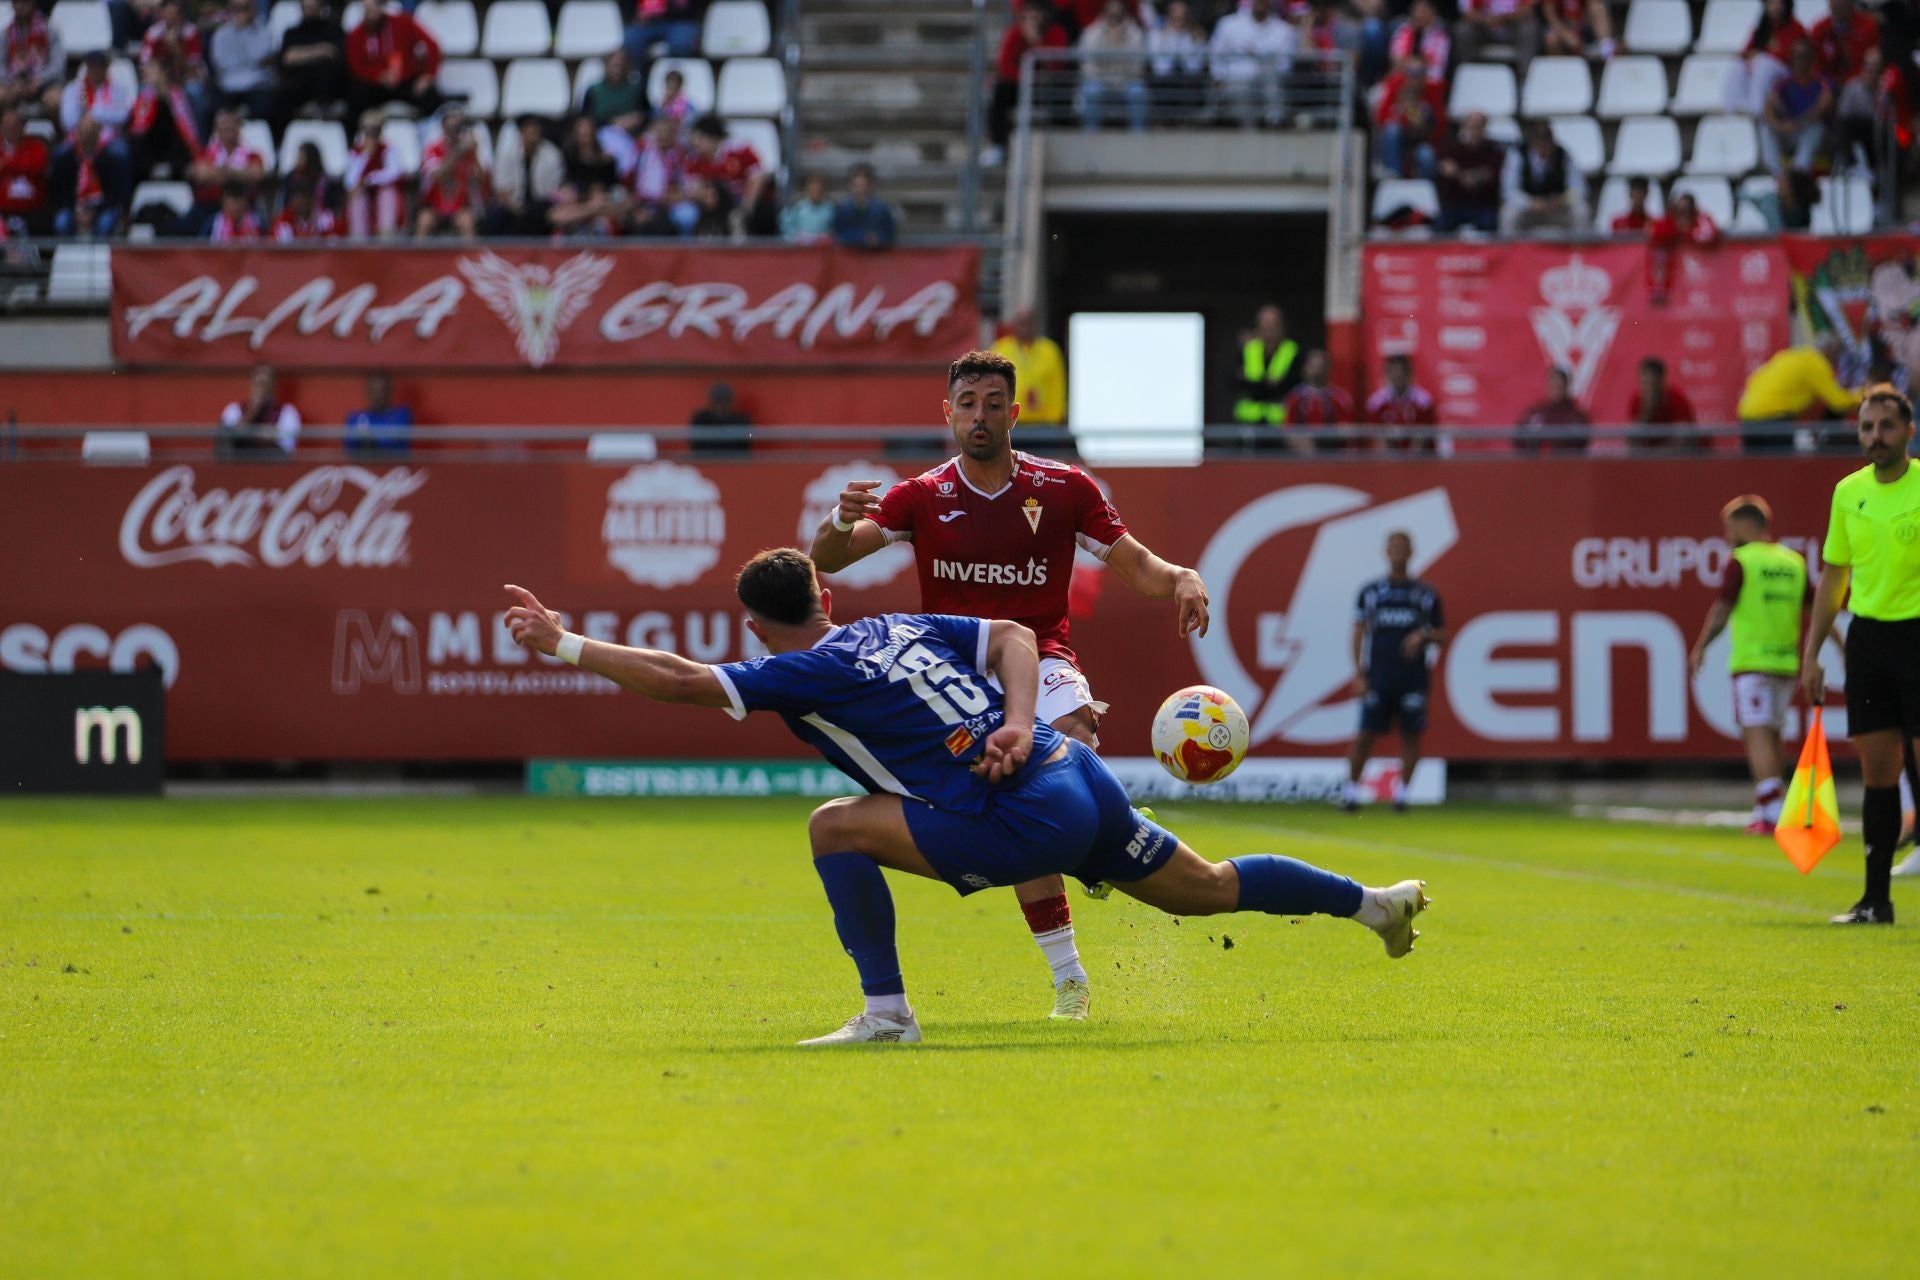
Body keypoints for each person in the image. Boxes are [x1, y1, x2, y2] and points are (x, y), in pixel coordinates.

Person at [501, 554, 1427, 1045]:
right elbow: (1017, 635)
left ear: (755, 624)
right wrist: (1022, 722)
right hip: (1073, 771)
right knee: (1210, 886)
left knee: (833, 829)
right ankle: (1372, 904)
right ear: (827, 593)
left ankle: (886, 1017)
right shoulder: (896, 624)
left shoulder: (803, 670)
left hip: (1018, 814)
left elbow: (682, 680)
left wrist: (565, 644)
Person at [809, 349, 1213, 1022]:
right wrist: (842, 519)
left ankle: (1097, 837)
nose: (980, 416)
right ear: (948, 413)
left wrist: (1181, 578)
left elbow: (1136, 563)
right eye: (968, 404)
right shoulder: (922, 495)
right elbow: (830, 557)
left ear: (1015, 413)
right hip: (958, 675)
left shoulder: (1064, 488)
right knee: (1023, 804)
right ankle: (1071, 976)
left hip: (1041, 655)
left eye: (993, 404)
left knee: (1072, 731)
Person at [1802, 387, 1920, 924]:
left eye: (1886, 426)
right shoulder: (1848, 492)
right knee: (1878, 775)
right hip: (1869, 641)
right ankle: (1876, 901)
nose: (1876, 436)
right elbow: (1834, 575)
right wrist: (1812, 653)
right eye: (1867, 427)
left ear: (1909, 432)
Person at [1689, 495, 1828, 836]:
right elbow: (1817, 609)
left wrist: (1701, 646)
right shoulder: (1792, 561)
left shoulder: (1742, 561)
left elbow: (1722, 609)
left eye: (1729, 527)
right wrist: (1838, 646)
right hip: (1785, 663)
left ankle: (1772, 811)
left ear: (1747, 524)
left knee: (1756, 735)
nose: (1727, 535)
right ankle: (1768, 808)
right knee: (1773, 735)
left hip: (1752, 662)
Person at [1341, 530, 1445, 814]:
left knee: (1411, 734)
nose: (1398, 551)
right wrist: (1359, 674)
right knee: (1365, 734)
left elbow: (1441, 634)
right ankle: (1350, 794)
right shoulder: (1371, 593)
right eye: (1394, 546)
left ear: (1412, 552)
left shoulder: (1425, 595)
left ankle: (1402, 796)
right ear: (1386, 551)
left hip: (1412, 677)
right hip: (1378, 675)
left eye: (1403, 546)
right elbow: (1358, 632)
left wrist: (1423, 636)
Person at [1736, 337, 1859, 453]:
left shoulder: (1792, 356)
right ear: (1832, 351)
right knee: (1779, 465)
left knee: (1754, 465)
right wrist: (1864, 394)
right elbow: (1839, 402)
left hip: (1747, 415)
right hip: (1773, 418)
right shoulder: (1816, 362)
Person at [988, 2, 1069, 158]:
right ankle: (999, 145)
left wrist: (1036, 42)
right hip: (1019, 85)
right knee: (1000, 90)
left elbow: (1057, 64)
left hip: (1045, 87)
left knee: (1062, 89)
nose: (1032, 19)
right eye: (1029, 14)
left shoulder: (1056, 32)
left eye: (1036, 15)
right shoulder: (1014, 33)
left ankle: (1062, 139)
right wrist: (1027, 79)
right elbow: (1004, 65)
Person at [345, 0, 442, 120]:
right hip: (377, 85)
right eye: (368, 9)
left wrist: (428, 75)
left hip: (406, 80)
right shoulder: (356, 35)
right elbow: (356, 65)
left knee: (429, 95)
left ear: (381, 7)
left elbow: (432, 46)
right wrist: (377, 75)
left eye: (374, 7)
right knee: (355, 95)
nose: (372, 13)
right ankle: (360, 130)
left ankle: (431, 128)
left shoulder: (403, 23)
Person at [1209, 0, 1295, 128]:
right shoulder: (1228, 24)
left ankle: (1274, 123)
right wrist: (1218, 78)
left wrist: (1259, 54)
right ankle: (1247, 128)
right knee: (1241, 84)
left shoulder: (1284, 30)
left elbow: (1285, 66)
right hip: (1236, 81)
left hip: (1268, 84)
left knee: (1270, 78)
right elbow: (1216, 55)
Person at [1500, 119, 1587, 235]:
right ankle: (1510, 245)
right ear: (1532, 141)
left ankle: (1578, 245)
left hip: (1557, 208)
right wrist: (1531, 203)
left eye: (1547, 139)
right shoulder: (1518, 155)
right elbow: (1509, 192)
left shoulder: (1562, 155)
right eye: (1539, 139)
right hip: (1529, 210)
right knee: (1509, 212)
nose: (1543, 144)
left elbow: (1579, 188)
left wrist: (1561, 200)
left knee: (1580, 210)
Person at [48, 114, 127, 236]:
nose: (87, 136)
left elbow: (115, 194)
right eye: (84, 132)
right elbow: (59, 192)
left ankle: (101, 248)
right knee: (62, 221)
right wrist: (76, 211)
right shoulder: (65, 160)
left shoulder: (109, 160)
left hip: (101, 208)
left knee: (106, 221)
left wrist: (94, 211)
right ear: (78, 133)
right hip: (73, 208)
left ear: (98, 133)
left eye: (91, 132)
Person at [1762, 40, 1833, 178]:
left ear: (1811, 60)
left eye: (1804, 57)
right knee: (1766, 127)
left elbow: (1823, 106)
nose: (1801, 62)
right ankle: (1776, 174)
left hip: (1810, 130)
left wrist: (1799, 123)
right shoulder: (1784, 82)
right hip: (1789, 131)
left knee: (1816, 128)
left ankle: (1799, 173)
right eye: (1797, 57)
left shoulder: (1822, 82)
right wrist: (1780, 125)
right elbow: (1768, 107)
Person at [1077, 0, 1149, 131]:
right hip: (1099, 80)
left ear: (1124, 14)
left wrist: (1120, 45)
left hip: (1127, 81)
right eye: (1111, 15)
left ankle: (1138, 134)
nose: (1114, 20)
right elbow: (1088, 67)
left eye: (1118, 16)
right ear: (1104, 13)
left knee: (1138, 92)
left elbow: (1138, 67)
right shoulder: (1092, 33)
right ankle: (1090, 133)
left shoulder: (1135, 34)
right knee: (1092, 91)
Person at [990, 306, 1067, 428]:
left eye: (1028, 323)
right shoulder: (1000, 349)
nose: (1024, 327)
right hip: (1009, 421)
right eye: (1021, 323)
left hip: (1044, 423)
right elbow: (991, 385)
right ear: (1014, 326)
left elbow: (1057, 386)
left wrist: (1055, 419)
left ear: (1035, 325)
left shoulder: (1050, 351)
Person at [276, 0, 347, 126]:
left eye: (313, 7)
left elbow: (336, 53)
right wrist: (321, 50)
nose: (310, 11)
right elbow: (288, 57)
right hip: (299, 87)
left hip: (327, 89)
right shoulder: (292, 33)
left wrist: (302, 54)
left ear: (321, 8)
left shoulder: (334, 30)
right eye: (306, 7)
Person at [1233, 303, 1301, 431]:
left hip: (1280, 425)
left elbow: (1292, 386)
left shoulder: (1292, 350)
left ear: (1282, 326)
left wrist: (1255, 382)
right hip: (1249, 424)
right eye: (1264, 324)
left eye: (1273, 324)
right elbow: (1235, 383)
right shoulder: (1248, 349)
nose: (1269, 329)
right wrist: (1269, 383)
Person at [492, 114, 562, 236]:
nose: (532, 132)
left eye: (535, 128)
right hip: (512, 206)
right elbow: (501, 191)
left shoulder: (551, 154)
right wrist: (517, 209)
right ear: (521, 131)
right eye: (528, 128)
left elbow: (554, 189)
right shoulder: (507, 154)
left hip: (541, 206)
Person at [1646, 192, 1721, 305]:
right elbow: (1656, 232)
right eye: (1679, 211)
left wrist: (1686, 233)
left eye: (1687, 211)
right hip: (1676, 286)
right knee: (1659, 252)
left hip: (1702, 283)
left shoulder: (1702, 220)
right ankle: (1660, 290)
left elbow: (1708, 236)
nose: (1683, 216)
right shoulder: (1669, 222)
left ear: (1694, 211)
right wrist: (1677, 229)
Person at [207, 0, 277, 122]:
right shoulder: (221, 34)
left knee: (267, 106)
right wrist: (238, 32)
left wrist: (244, 32)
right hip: (228, 85)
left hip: (256, 84)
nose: (241, 12)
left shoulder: (264, 31)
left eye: (245, 7)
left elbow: (260, 57)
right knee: (211, 108)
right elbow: (221, 62)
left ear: (253, 9)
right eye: (237, 8)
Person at [1434, 110, 1502, 233]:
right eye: (1471, 127)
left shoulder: (1492, 150)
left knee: (1490, 224)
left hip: (1481, 205)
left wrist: (1458, 173)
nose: (1473, 131)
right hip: (1455, 204)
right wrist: (1467, 175)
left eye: (1478, 127)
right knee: (1440, 225)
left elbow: (1489, 174)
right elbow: (1444, 169)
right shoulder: (1451, 147)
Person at [345, 108, 406, 237]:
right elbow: (350, 182)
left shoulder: (388, 149)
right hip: (362, 192)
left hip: (380, 191)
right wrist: (366, 155)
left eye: (375, 131)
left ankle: (386, 234)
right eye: (368, 131)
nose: (371, 136)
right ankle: (359, 237)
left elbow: (395, 172)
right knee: (357, 196)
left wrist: (370, 179)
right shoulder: (356, 152)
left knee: (387, 192)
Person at [218, 364, 301, 458]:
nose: (262, 388)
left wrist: (248, 435)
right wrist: (254, 410)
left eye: (266, 384)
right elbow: (227, 441)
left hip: (271, 463)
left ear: (274, 385)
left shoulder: (288, 411)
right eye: (259, 383)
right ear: (251, 383)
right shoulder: (234, 409)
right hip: (239, 462)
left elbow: (286, 448)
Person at [1279, 348, 1354, 452]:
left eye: (1322, 366)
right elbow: (1287, 430)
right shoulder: (1294, 397)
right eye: (1314, 366)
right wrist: (1305, 443)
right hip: (1302, 452)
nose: (1318, 371)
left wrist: (1321, 441)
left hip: (1332, 451)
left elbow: (1346, 431)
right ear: (1305, 368)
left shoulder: (1341, 398)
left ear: (1329, 369)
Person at [1144, 0, 1207, 122]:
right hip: (1164, 79)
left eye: (1182, 16)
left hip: (1187, 78)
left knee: (1190, 83)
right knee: (1163, 83)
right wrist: (1169, 35)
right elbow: (1159, 66)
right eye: (1175, 15)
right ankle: (1163, 120)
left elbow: (1195, 66)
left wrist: (1187, 36)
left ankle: (1187, 121)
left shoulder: (1195, 35)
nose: (1178, 19)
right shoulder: (1157, 35)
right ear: (1168, 16)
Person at [3, 0, 66, 117]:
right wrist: (13, 83)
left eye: (24, 2)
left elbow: (57, 66)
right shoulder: (6, 33)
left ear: (32, 3)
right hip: (15, 83)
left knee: (54, 101)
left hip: (45, 84)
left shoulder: (49, 30)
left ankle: (61, 129)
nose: (20, 6)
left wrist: (39, 81)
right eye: (16, 2)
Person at [1364, 353, 1438, 453]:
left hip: (1418, 457)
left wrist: (1410, 458)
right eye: (1393, 371)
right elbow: (1376, 436)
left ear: (1408, 373)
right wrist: (1390, 458)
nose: (1397, 375)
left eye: (1401, 371)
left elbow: (1423, 435)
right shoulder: (1375, 402)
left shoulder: (1423, 401)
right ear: (1386, 374)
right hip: (1387, 457)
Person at [1514, 365, 1591, 454]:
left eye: (1559, 385)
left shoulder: (1576, 416)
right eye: (1553, 385)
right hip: (1538, 461)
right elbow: (1518, 438)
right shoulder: (1536, 413)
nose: (1556, 389)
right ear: (1547, 385)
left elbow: (1582, 443)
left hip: (1567, 461)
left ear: (1566, 386)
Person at [0, 106, 51, 236]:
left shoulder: (36, 147)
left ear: (23, 127)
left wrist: (8, 164)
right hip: (4, 209)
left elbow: (37, 169)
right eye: (6, 126)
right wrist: (21, 165)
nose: (10, 130)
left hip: (32, 209)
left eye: (14, 126)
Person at [1626, 356, 1696, 450]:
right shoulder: (1637, 400)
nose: (1647, 387)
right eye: (1644, 382)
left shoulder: (1676, 398)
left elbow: (1683, 437)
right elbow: (1632, 440)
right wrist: (1647, 410)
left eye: (1651, 382)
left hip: (1674, 455)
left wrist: (1657, 454)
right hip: (1650, 454)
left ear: (1661, 380)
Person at [1455, 0, 1538, 76]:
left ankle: (1525, 75)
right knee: (1463, 29)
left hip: (1512, 26)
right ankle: (1466, 73)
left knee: (1529, 28)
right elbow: (1467, 12)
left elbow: (1528, 10)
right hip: (1483, 27)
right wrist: (1486, 20)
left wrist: (1504, 18)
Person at [345, 371, 412, 456]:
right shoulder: (354, 418)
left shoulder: (401, 415)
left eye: (382, 390)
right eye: (373, 390)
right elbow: (349, 448)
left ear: (390, 391)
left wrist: (369, 441)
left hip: (393, 462)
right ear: (366, 391)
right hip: (362, 463)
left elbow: (389, 444)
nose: (377, 396)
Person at [831, 163, 895, 249]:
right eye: (856, 186)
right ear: (851, 187)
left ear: (869, 186)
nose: (860, 189)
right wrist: (861, 237)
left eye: (864, 185)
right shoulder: (842, 208)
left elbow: (889, 233)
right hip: (849, 252)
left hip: (875, 253)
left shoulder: (882, 208)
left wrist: (878, 238)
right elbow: (837, 234)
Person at [1810, 0, 1878, 82]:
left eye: (1843, 3)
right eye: (1835, 4)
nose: (1839, 6)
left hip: (1861, 81)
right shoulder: (1819, 30)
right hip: (1828, 84)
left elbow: (1875, 60)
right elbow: (1814, 66)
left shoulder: (1868, 26)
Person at [624, 0, 705, 66]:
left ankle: (672, 77)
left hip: (681, 21)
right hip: (646, 23)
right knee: (632, 40)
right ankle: (638, 77)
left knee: (682, 44)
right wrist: (635, 15)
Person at [582, 48, 645, 131]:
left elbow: (646, 114)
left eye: (622, 65)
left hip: (633, 132)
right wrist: (614, 122)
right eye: (614, 65)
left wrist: (637, 119)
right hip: (600, 132)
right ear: (606, 66)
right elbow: (585, 118)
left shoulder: (637, 89)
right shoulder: (594, 90)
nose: (618, 70)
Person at [687, 382, 751, 452]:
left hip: (734, 458)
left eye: (725, 401)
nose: (721, 405)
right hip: (705, 457)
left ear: (731, 402)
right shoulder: (700, 419)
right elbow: (695, 445)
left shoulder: (740, 420)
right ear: (710, 402)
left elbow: (747, 441)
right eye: (717, 401)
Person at [779, 173, 834, 243]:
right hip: (800, 246)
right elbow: (785, 226)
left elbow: (834, 230)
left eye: (818, 191)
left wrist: (826, 236)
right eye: (813, 191)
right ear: (807, 190)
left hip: (822, 246)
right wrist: (795, 237)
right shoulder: (798, 207)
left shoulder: (830, 209)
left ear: (823, 191)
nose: (815, 194)